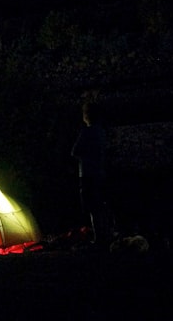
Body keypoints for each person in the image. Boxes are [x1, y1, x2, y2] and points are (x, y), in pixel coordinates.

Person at [71, 100, 112, 244]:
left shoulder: (87, 132)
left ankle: (99, 237)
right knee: (100, 205)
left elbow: (75, 151)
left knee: (92, 206)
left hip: (87, 173)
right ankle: (105, 234)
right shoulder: (101, 132)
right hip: (99, 173)